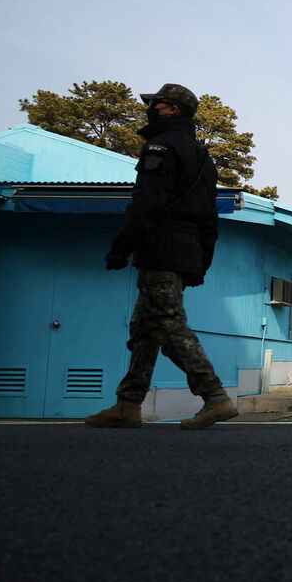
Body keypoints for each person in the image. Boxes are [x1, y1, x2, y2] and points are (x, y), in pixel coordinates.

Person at [85, 83, 236, 430]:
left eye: (156, 104)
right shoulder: (201, 155)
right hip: (185, 249)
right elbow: (209, 217)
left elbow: (145, 202)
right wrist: (202, 261)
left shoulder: (162, 145)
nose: (150, 109)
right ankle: (128, 403)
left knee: (167, 323)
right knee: (145, 327)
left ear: (171, 110)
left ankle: (215, 396)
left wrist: (121, 247)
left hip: (161, 246)